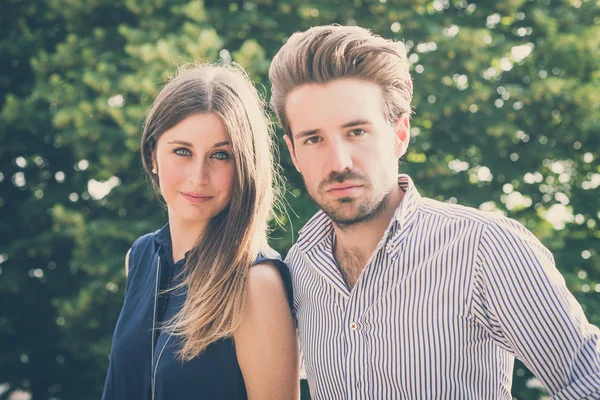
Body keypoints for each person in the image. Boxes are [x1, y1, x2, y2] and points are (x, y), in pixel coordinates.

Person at [269, 25, 600, 399]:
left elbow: (589, 379)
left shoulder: (485, 246)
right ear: (294, 153)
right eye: (314, 139)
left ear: (400, 134)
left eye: (357, 131)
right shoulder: (299, 266)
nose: (338, 161)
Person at [102, 64, 299, 400]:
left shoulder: (256, 282)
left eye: (220, 155)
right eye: (182, 151)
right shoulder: (139, 258)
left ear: (244, 167)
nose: (198, 176)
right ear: (152, 156)